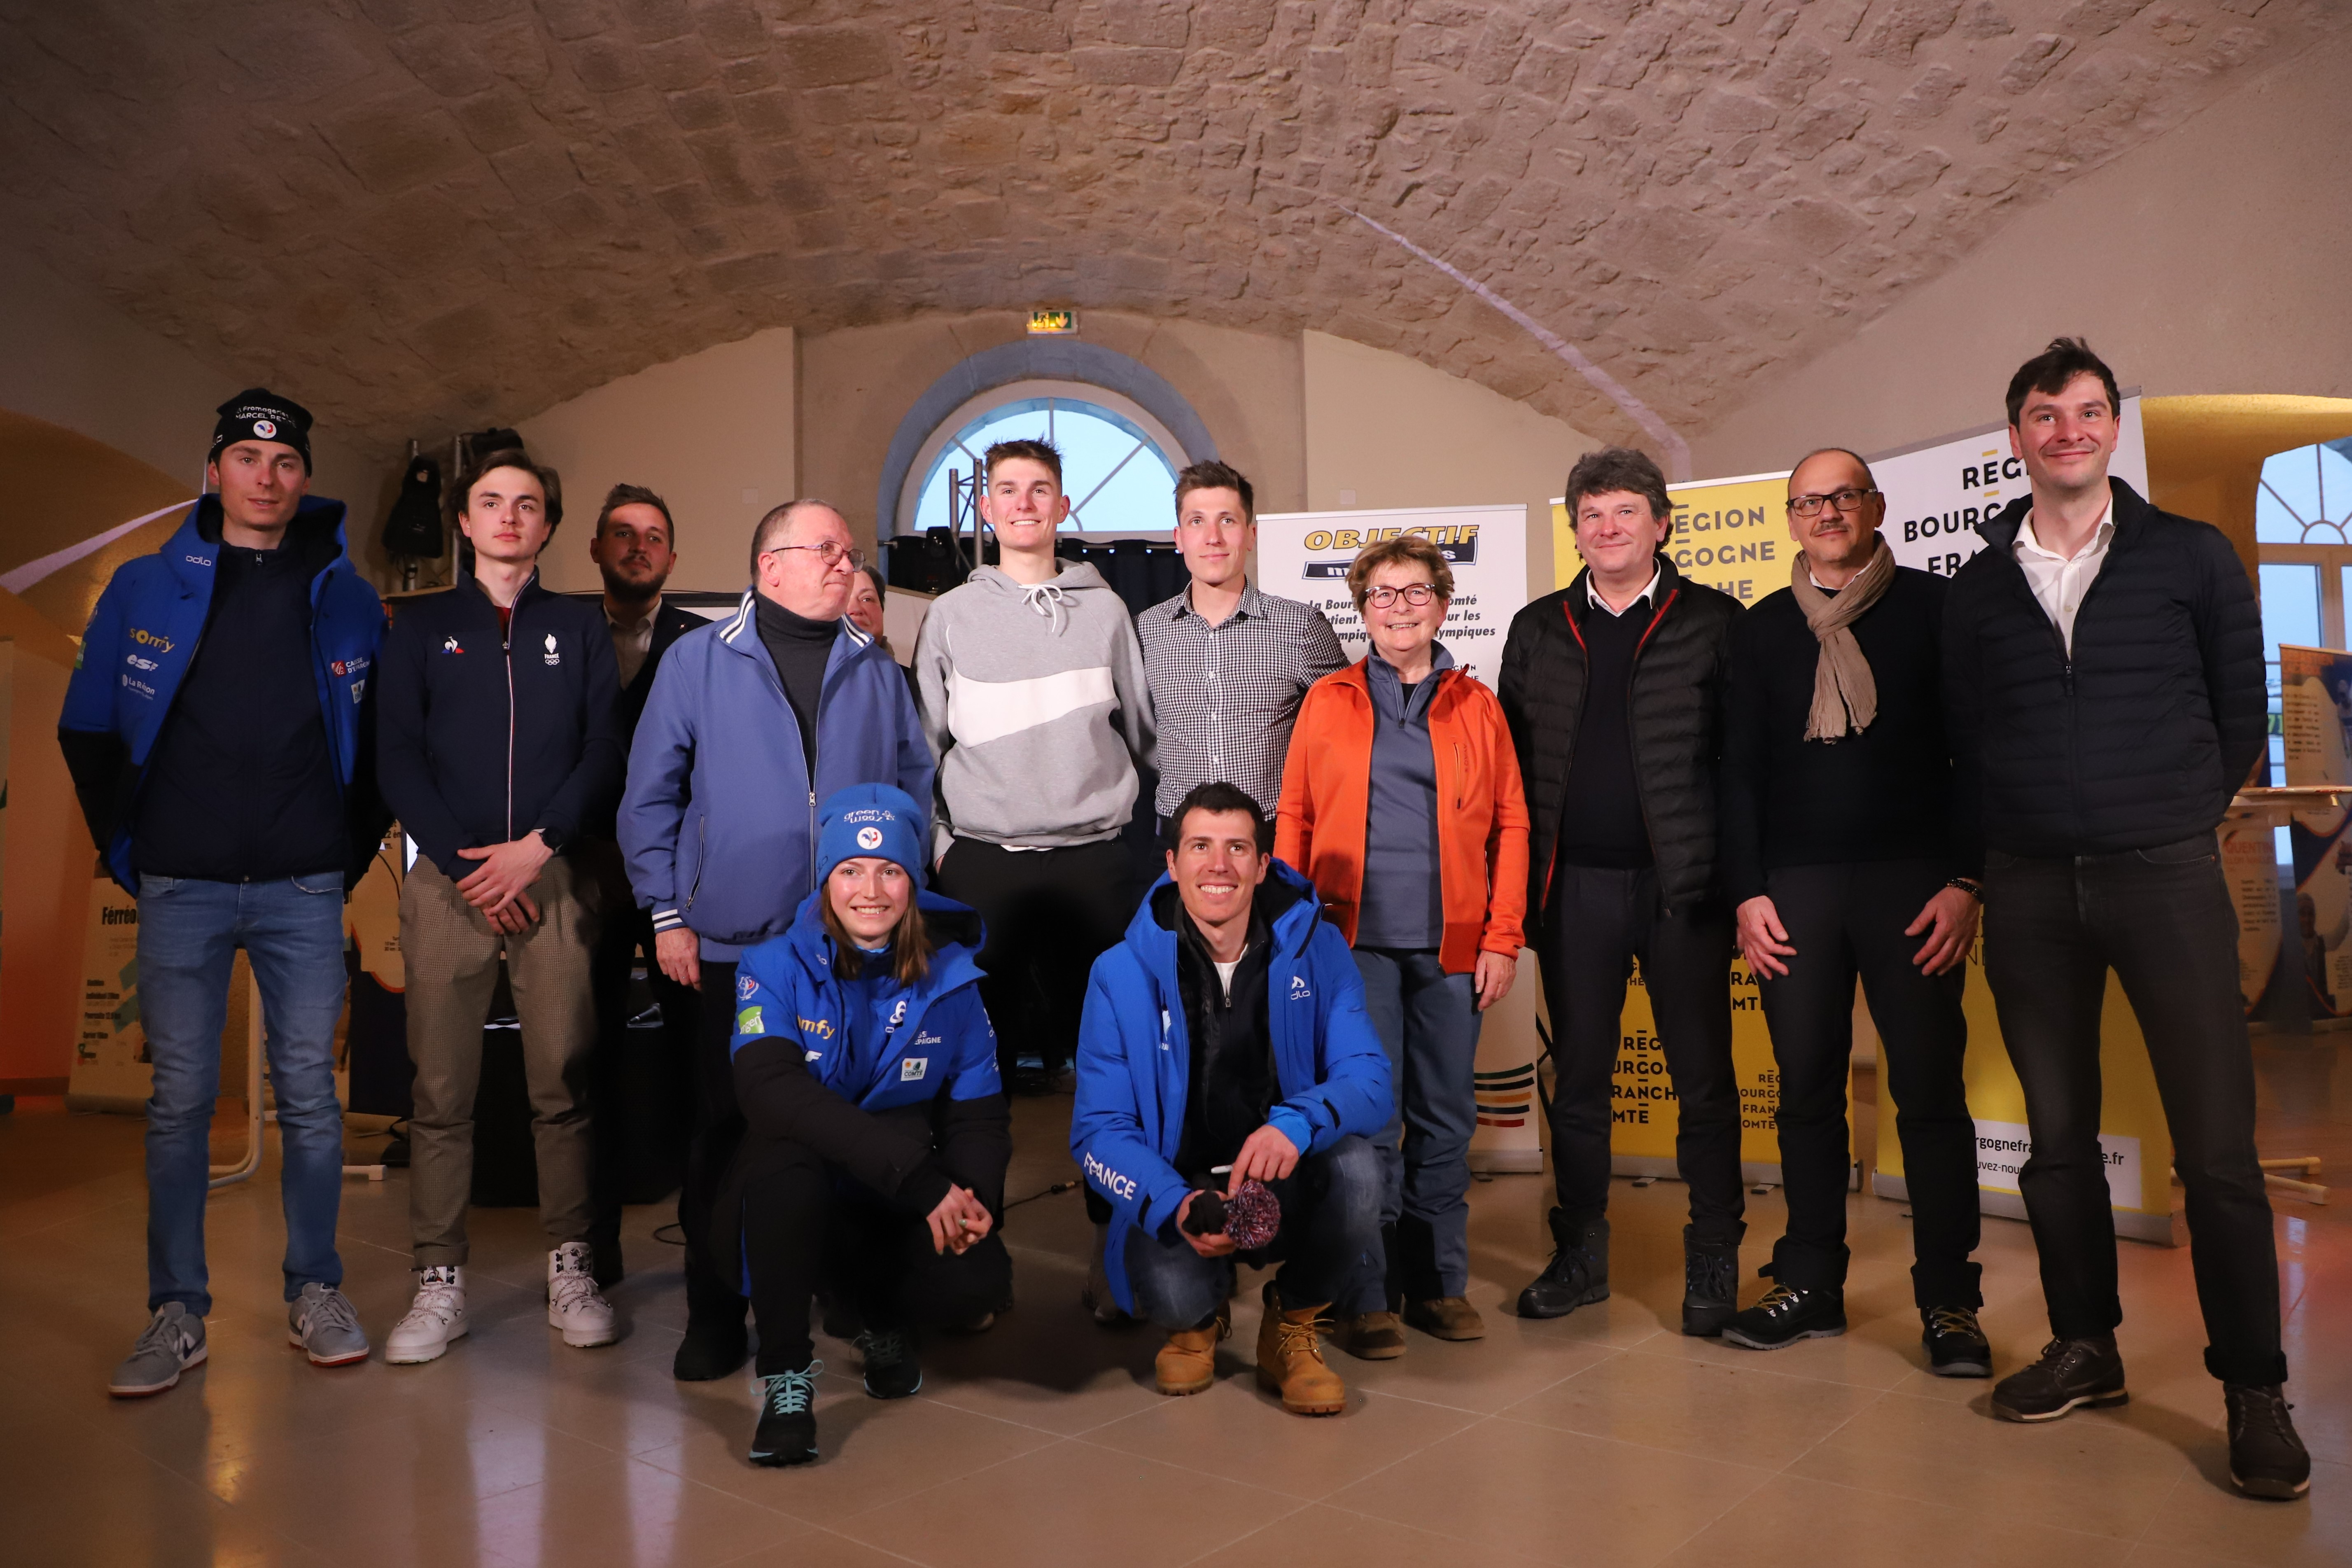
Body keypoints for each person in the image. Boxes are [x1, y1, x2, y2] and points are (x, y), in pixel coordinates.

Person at [1944, 338, 2307, 1498]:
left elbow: (2239, 713)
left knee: (2218, 1152)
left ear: (2112, 427)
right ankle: (2087, 1347)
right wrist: (1991, 855)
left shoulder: (2189, 557)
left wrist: (2171, 815)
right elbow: (1961, 741)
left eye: (2087, 412)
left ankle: (2254, 1388)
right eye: (2045, 416)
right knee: (2058, 1145)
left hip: (2164, 877)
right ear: (2018, 438)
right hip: (2032, 889)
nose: (2067, 431)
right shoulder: (1977, 585)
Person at [63, 390, 386, 1395]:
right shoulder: (141, 586)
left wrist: (343, 852)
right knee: (179, 1104)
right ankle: (177, 1312)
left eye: (285, 460)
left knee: (312, 1102)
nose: (266, 475)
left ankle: (315, 1290)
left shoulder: (347, 595)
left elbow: (376, 749)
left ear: (302, 479)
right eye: (246, 458)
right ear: (215, 472)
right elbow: (88, 730)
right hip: (182, 885)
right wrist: (131, 851)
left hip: (300, 883)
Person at [620, 498, 934, 1382]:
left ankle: (851, 1296)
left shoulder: (877, 667)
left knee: (854, 1131)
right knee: (724, 1132)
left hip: (852, 951)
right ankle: (717, 1311)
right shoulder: (697, 662)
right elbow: (650, 796)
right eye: (826, 550)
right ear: (771, 567)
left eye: (848, 550)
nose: (846, 563)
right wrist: (667, 914)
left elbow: (914, 791)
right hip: (728, 946)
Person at [1717, 448, 1988, 1371]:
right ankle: (1812, 1281)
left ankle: (1951, 1299)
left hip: (1916, 886)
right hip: (1795, 890)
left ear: (1875, 506)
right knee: (1804, 1093)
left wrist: (1967, 879)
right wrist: (1747, 890)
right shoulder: (1759, 632)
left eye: (1843, 496)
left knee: (1930, 1095)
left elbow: (1976, 752)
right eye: (1809, 501)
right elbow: (1738, 774)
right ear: (1790, 519)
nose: (1827, 512)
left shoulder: (1935, 610)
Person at [374, 447, 625, 1364]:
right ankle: (438, 1279)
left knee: (561, 1085)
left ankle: (572, 1265)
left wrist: (536, 849)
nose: (510, 517)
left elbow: (603, 745)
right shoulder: (419, 624)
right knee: (441, 1094)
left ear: (549, 525)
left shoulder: (579, 623)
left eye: (527, 504)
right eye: (491, 502)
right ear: (465, 522)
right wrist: (466, 862)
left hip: (551, 875)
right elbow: (396, 754)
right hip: (448, 885)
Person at [1497, 446, 1746, 1335]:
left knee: (1705, 1083)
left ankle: (1714, 1255)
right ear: (1575, 530)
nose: (1607, 528)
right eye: (1591, 515)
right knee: (1580, 1085)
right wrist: (1516, 897)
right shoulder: (1536, 629)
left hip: (1684, 890)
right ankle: (1580, 1254)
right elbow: (1512, 777)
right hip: (1575, 893)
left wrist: (1742, 886)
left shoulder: (1715, 622)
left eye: (1625, 512)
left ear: (1662, 524)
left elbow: (1742, 766)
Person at [1276, 534, 1528, 1358]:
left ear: (1443, 603)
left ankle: (1439, 1283)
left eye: (1416, 591)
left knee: (1447, 1116)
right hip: (1353, 944)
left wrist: (1501, 936)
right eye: (1382, 594)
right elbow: (1295, 816)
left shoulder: (1477, 706)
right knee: (1372, 1120)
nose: (1399, 607)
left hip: (1454, 944)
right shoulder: (1330, 699)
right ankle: (1368, 1292)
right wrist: (1294, 929)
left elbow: (1512, 825)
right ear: (1364, 608)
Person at [1073, 782, 1393, 1416]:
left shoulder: (1317, 947)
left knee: (1358, 1170)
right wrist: (1175, 1203)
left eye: (1237, 848)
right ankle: (1197, 1319)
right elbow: (1097, 1134)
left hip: (1283, 1170)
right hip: (1180, 1182)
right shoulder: (1118, 972)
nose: (1218, 865)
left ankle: (1292, 1326)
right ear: (1172, 864)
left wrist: (1296, 1127)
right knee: (1167, 1295)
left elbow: (1371, 1080)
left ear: (1262, 864)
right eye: (1200, 847)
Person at [727, 784, 1010, 1467]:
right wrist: (921, 1182)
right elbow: (770, 1091)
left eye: (890, 870)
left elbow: (981, 1115)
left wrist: (971, 1199)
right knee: (783, 1164)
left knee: (977, 1283)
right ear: (825, 880)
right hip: (797, 1188)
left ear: (913, 883)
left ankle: (878, 1314)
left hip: (885, 1193)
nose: (871, 890)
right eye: (850, 869)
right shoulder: (770, 966)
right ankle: (788, 1377)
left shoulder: (953, 979)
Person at [913, 436, 1154, 1101]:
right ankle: (969, 1202)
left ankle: (1125, 1201)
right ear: (987, 508)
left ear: (1063, 506)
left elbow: (1143, 734)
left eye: (1039, 489)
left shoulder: (1104, 611)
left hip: (1093, 859)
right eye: (1009, 491)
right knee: (970, 1059)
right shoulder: (949, 615)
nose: (1025, 502)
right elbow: (925, 749)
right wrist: (942, 849)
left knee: (1119, 1055)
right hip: (984, 859)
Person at [580, 483, 704, 1285]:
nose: (637, 547)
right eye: (622, 534)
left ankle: (707, 1241)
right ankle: (592, 1247)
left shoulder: (703, 645)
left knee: (697, 1063)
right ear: (595, 548)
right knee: (586, 1059)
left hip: (681, 885)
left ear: (671, 556)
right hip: (584, 877)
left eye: (653, 536)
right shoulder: (561, 637)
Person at [1138, 459, 1346, 824]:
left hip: (1272, 832)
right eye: (1197, 521)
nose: (1213, 537)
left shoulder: (1299, 626)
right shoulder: (1149, 629)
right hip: (1178, 832)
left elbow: (1347, 728)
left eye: (1227, 520)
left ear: (1251, 535)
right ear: (1179, 538)